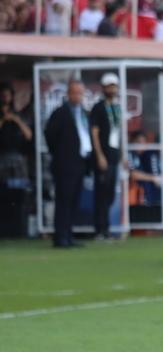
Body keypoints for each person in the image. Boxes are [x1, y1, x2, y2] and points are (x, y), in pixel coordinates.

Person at [44, 79, 92, 249]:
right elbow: (50, 135)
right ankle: (60, 236)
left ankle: (69, 234)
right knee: (63, 200)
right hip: (65, 164)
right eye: (75, 92)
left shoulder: (85, 114)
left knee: (74, 200)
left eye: (80, 93)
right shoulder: (60, 113)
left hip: (80, 162)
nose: (78, 96)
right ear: (68, 94)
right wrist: (60, 153)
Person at [89, 73, 123, 240]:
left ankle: (106, 227)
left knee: (109, 194)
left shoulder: (117, 107)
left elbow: (119, 132)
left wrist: (122, 155)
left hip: (115, 155)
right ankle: (99, 229)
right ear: (103, 88)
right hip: (103, 156)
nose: (111, 89)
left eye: (114, 86)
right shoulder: (98, 107)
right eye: (108, 86)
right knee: (101, 193)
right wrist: (99, 155)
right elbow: (94, 132)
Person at [0, 82, 33, 237]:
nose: (5, 98)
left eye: (8, 95)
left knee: (19, 196)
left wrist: (14, 119)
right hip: (2, 159)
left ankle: (19, 229)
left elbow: (28, 135)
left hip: (18, 161)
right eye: (3, 95)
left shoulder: (18, 115)